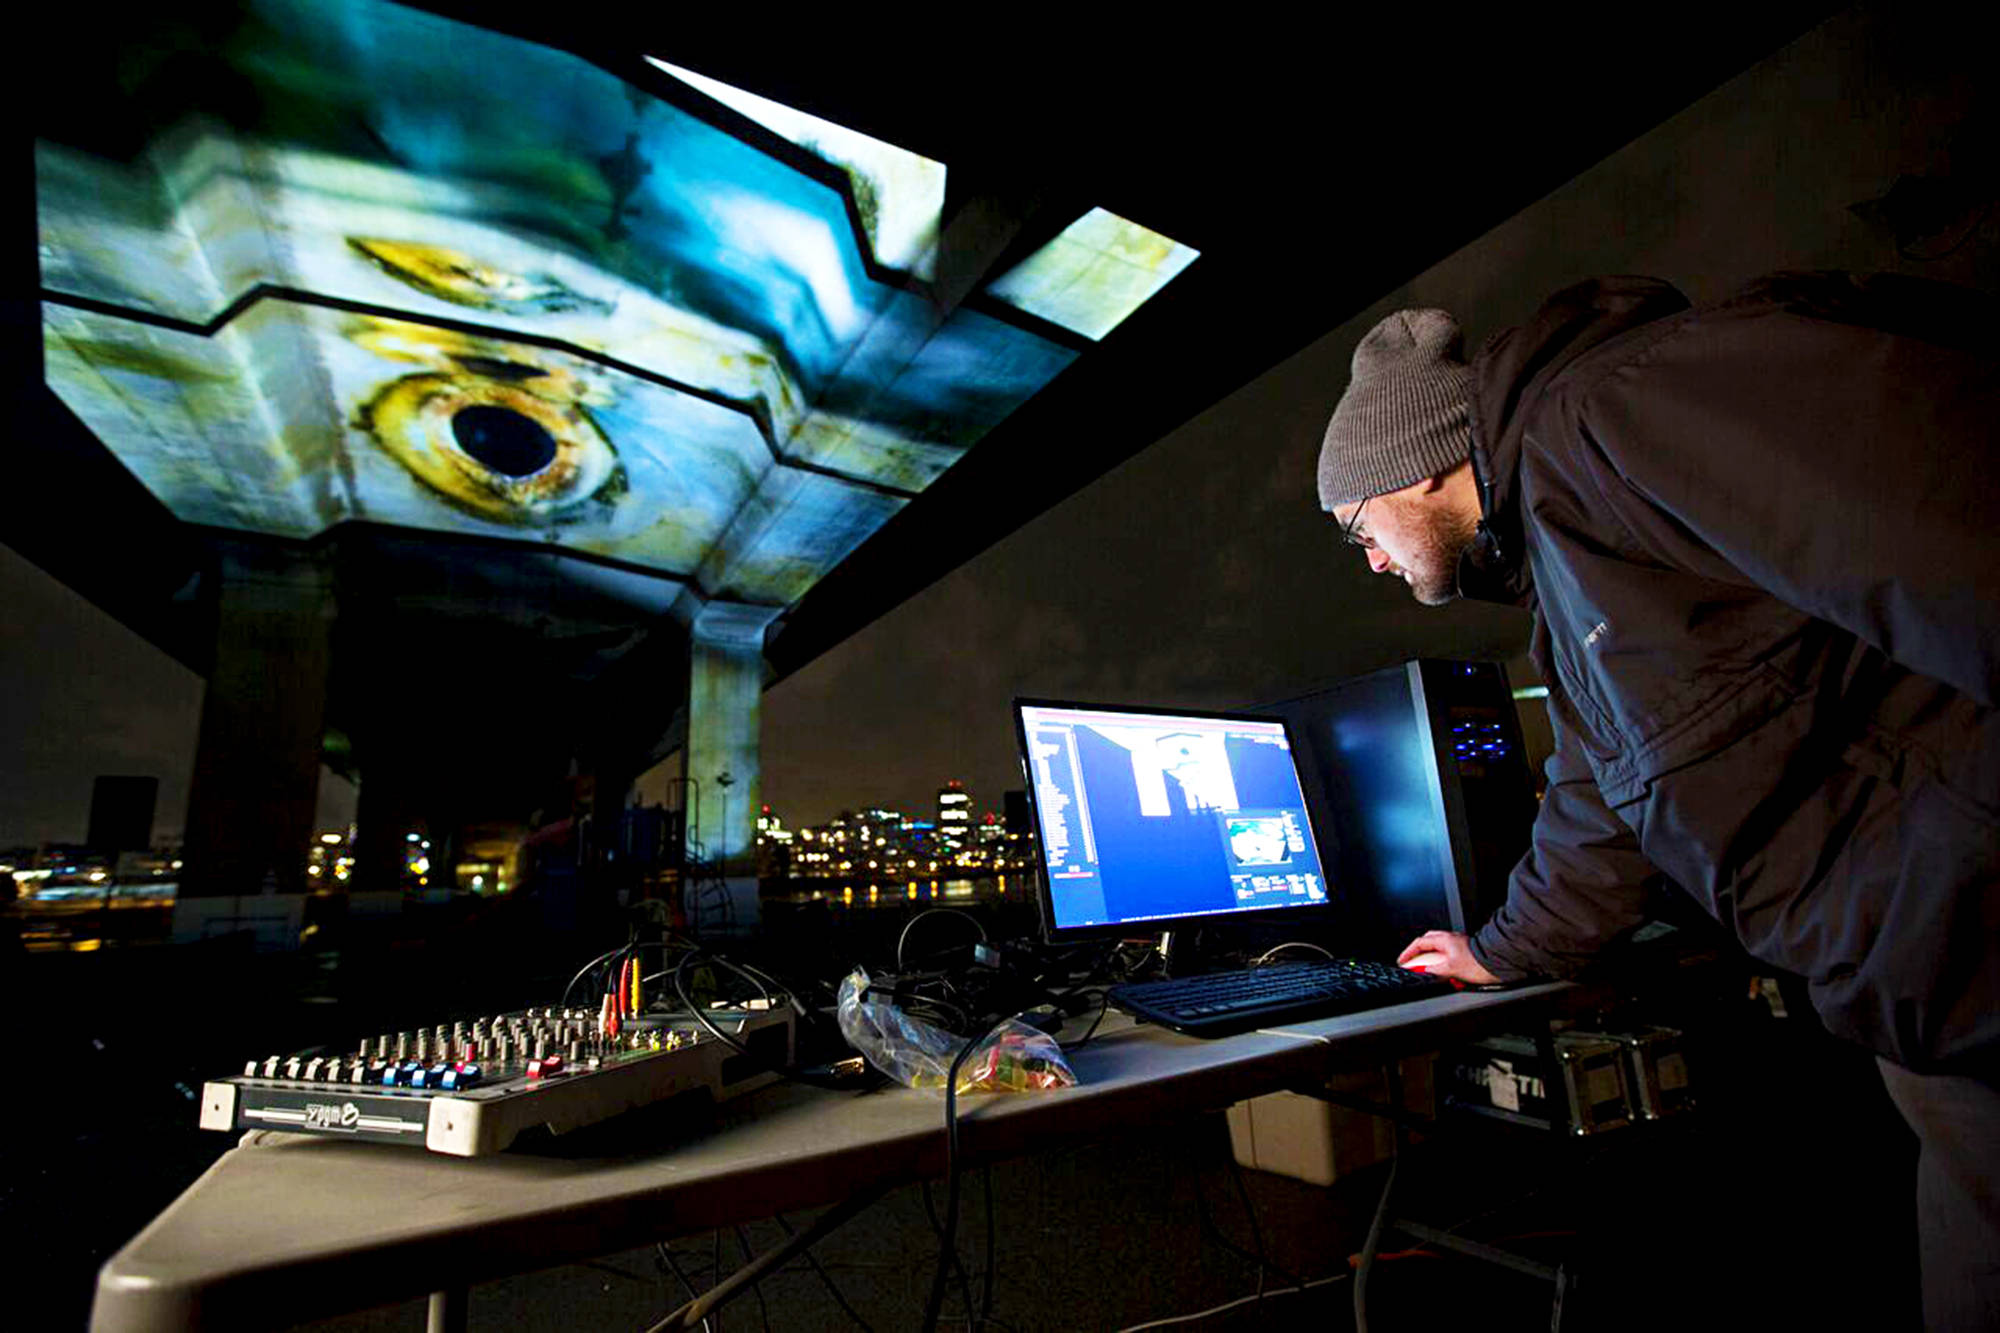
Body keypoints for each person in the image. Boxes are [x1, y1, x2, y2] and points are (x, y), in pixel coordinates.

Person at [1316, 273, 1998, 1331]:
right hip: (1927, 992)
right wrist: (1503, 949)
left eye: (1355, 523)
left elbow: (1956, 534)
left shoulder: (1617, 412)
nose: (1362, 556)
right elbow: (1597, 798)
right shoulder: (1566, 564)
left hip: (1974, 937)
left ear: (1416, 468)